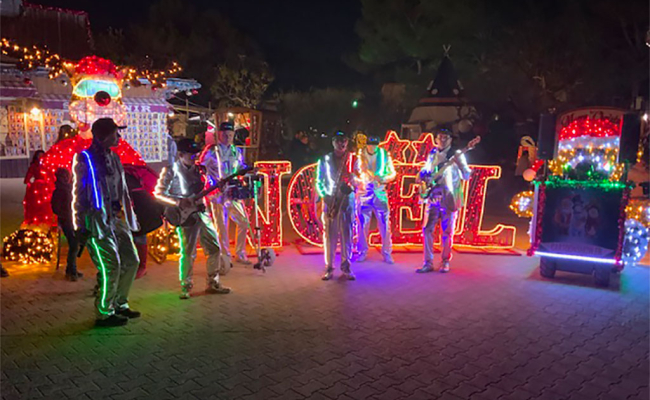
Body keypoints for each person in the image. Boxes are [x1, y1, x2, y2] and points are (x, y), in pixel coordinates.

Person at [72, 118, 141, 327]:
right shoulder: (85, 159)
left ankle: (120, 302)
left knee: (132, 260)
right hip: (97, 221)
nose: (119, 137)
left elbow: (122, 189)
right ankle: (104, 312)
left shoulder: (115, 157)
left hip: (116, 217)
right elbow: (79, 194)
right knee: (111, 265)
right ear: (104, 136)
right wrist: (80, 225)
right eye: (115, 133)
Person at [155, 138, 231, 299]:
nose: (194, 157)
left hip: (202, 213)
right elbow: (159, 194)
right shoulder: (171, 170)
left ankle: (213, 282)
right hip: (185, 216)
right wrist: (178, 202)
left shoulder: (201, 170)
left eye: (196, 154)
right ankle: (186, 285)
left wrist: (219, 189)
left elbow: (209, 192)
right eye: (191, 154)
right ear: (181, 154)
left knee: (214, 247)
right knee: (188, 252)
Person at [416, 127, 471, 273]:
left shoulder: (457, 155)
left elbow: (466, 174)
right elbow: (427, 169)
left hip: (449, 197)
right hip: (433, 196)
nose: (442, 140)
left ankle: (445, 261)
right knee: (427, 229)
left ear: (451, 140)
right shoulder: (433, 153)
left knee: (447, 231)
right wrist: (422, 176)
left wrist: (460, 166)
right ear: (436, 139)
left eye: (445, 137)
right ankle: (428, 262)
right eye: (440, 137)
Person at [201, 122, 252, 269]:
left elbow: (240, 166)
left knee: (243, 221)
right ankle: (225, 256)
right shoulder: (211, 151)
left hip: (233, 192)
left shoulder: (236, 151)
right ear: (219, 134)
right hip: (217, 194)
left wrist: (247, 171)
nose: (227, 137)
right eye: (225, 134)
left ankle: (240, 253)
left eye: (230, 135)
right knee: (221, 226)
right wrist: (212, 183)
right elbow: (202, 168)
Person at [316, 131, 356, 281]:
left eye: (344, 140)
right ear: (333, 142)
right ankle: (329, 267)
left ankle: (346, 266)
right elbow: (319, 181)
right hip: (331, 201)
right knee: (329, 236)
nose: (341, 143)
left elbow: (361, 179)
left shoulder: (353, 159)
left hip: (347, 201)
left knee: (347, 234)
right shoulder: (325, 160)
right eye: (338, 140)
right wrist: (324, 196)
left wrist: (353, 182)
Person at [355, 135, 396, 264]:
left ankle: (387, 252)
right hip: (364, 192)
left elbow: (393, 173)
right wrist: (359, 182)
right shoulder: (360, 156)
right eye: (370, 144)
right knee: (362, 223)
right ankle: (362, 251)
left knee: (385, 223)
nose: (373, 147)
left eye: (375, 145)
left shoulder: (384, 155)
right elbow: (353, 174)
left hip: (379, 192)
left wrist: (383, 179)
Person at [123, 164, 164, 279]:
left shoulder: (124, 173)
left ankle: (141, 266)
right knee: (136, 235)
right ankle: (138, 266)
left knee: (139, 235)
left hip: (140, 207)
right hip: (139, 205)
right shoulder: (130, 171)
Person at [51, 168, 84, 281]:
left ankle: (71, 268)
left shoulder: (67, 187)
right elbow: (56, 208)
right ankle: (71, 270)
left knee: (75, 244)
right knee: (74, 244)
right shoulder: (60, 190)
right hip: (67, 221)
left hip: (71, 219)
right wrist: (66, 215)